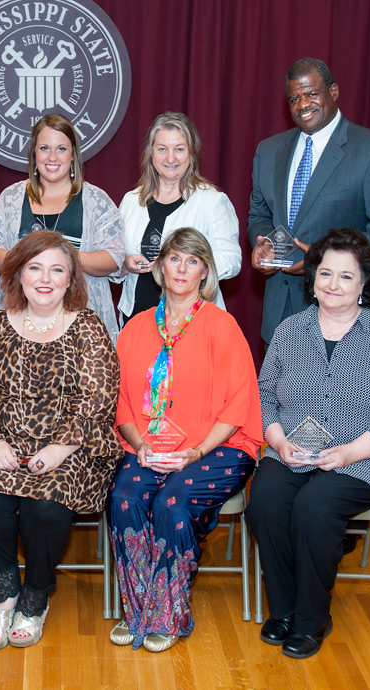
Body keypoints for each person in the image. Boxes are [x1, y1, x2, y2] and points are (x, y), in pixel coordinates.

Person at [245, 228, 370, 659]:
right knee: (265, 502)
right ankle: (283, 608)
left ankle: (311, 617)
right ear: (313, 278)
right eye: (325, 273)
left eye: (346, 276)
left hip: (361, 459)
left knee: (314, 507)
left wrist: (346, 452)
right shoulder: (290, 330)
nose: (333, 284)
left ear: (364, 284)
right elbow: (265, 394)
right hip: (293, 450)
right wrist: (279, 442)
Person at [0, 230, 122, 650]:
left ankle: (35, 597)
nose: (44, 279)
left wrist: (59, 448)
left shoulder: (87, 327)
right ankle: (4, 592)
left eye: (56, 269)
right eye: (35, 268)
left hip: (73, 449)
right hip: (3, 444)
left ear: (71, 279)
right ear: (18, 275)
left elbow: (98, 398)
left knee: (45, 507)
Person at [107, 227, 262, 653]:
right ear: (159, 267)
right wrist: (141, 446)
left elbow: (238, 403)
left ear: (205, 272)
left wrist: (193, 451)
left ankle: (169, 613)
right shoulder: (136, 328)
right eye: (174, 258)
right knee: (125, 494)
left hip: (215, 448)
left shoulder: (222, 325)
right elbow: (119, 400)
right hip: (148, 446)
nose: (182, 268)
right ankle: (137, 608)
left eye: (192, 261)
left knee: (171, 501)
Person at [247, 57, 370, 345]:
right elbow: (259, 213)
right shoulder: (269, 150)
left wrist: (326, 258)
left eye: (311, 94)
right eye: (294, 98)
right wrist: (262, 244)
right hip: (282, 312)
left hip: (349, 315)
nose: (302, 105)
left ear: (333, 92)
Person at [0, 113, 125, 342]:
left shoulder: (97, 200)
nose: (52, 157)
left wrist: (62, 259)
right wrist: (29, 262)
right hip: (20, 323)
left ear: (73, 154)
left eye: (61, 149)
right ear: (34, 153)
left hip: (81, 327)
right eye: (44, 148)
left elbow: (114, 257)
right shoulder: (11, 198)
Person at [116, 112, 241, 322]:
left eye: (179, 149)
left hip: (191, 320)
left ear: (192, 154)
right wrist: (125, 264)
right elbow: (115, 257)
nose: (170, 158)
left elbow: (231, 260)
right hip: (136, 318)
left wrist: (183, 266)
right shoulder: (130, 201)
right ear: (151, 153)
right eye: (162, 149)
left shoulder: (211, 201)